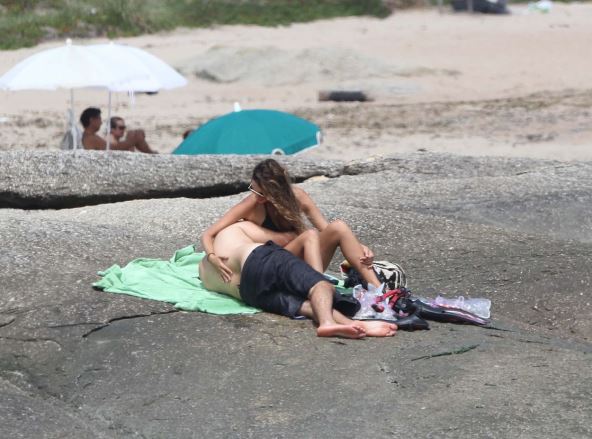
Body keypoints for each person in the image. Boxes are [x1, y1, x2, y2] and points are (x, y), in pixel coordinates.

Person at [201, 158, 383, 290]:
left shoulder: (298, 197)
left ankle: (379, 291)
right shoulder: (253, 203)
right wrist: (212, 257)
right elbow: (208, 234)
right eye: (254, 190)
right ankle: (320, 288)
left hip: (305, 259)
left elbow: (326, 229)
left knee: (339, 227)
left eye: (263, 193)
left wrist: (359, 247)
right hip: (276, 266)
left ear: (278, 190)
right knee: (309, 235)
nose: (257, 197)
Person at [199, 220, 397, 338]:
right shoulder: (239, 227)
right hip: (259, 258)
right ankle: (327, 323)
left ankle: (355, 326)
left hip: (248, 293)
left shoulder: (205, 270)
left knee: (307, 306)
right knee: (320, 285)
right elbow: (285, 239)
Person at [79, 107, 155, 153]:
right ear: (92, 120)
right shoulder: (91, 138)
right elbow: (112, 149)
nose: (101, 122)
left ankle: (151, 154)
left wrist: (130, 141)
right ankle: (152, 155)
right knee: (136, 135)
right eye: (99, 119)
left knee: (136, 135)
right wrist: (131, 141)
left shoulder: (90, 136)